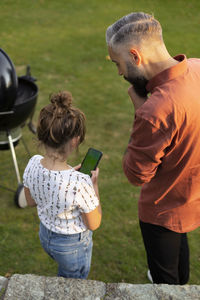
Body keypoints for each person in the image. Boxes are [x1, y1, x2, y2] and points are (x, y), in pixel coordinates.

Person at [106, 12, 200, 284]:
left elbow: (136, 174)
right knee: (179, 258)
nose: (120, 72)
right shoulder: (197, 67)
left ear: (135, 56)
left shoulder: (155, 112)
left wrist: (141, 110)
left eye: (118, 63)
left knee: (165, 280)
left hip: (162, 208)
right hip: (190, 194)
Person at [23, 91, 102, 279]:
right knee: (71, 285)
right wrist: (94, 186)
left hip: (45, 236)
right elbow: (94, 223)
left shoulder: (33, 162)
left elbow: (31, 201)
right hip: (71, 247)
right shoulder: (81, 183)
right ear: (75, 141)